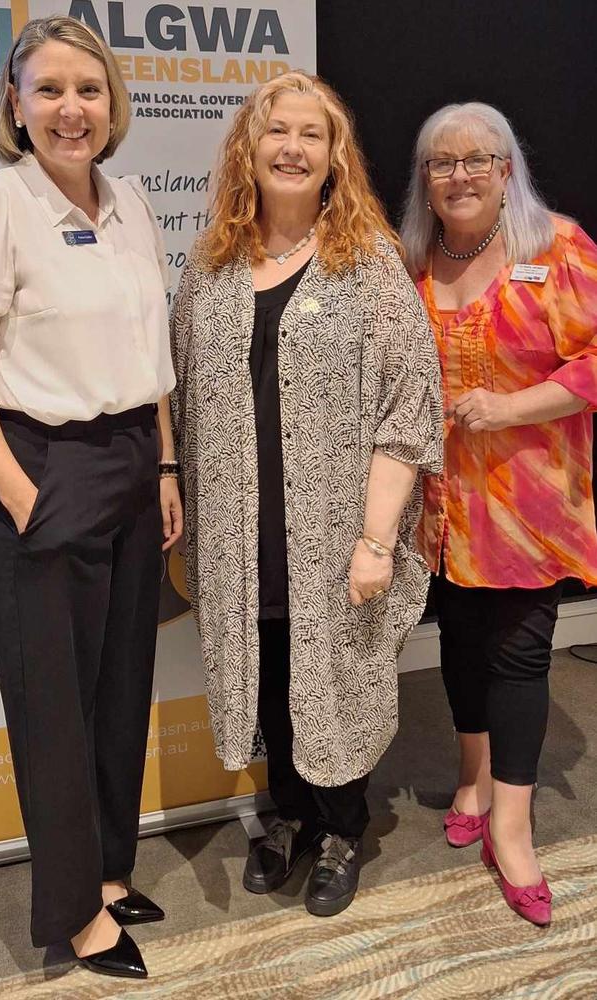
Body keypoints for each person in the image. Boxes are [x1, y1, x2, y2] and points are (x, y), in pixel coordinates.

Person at [171, 71, 442, 917]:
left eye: (310, 135)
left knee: (338, 676)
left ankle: (339, 829)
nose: (292, 148)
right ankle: (286, 815)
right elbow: (175, 393)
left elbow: (407, 408)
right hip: (239, 532)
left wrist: (374, 539)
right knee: (269, 671)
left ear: (335, 157)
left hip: (336, 532)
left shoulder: (369, 267)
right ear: (248, 150)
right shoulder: (211, 268)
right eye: (275, 132)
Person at [0, 16, 182, 978]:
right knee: (54, 707)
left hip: (132, 460)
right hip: (42, 468)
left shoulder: (128, 200)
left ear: (112, 103)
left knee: (121, 688)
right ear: (14, 103)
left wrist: (163, 467)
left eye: (88, 90)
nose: (70, 109)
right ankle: (73, 916)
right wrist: (22, 492)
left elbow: (150, 358)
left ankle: (110, 875)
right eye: (48, 90)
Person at [401, 101, 597, 926]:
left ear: (507, 167)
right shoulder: (413, 256)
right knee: (461, 645)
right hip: (438, 502)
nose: (459, 176)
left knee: (518, 656)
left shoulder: (555, 247)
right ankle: (472, 778)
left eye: (477, 159)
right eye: (441, 163)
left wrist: (511, 409)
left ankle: (511, 830)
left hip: (528, 500)